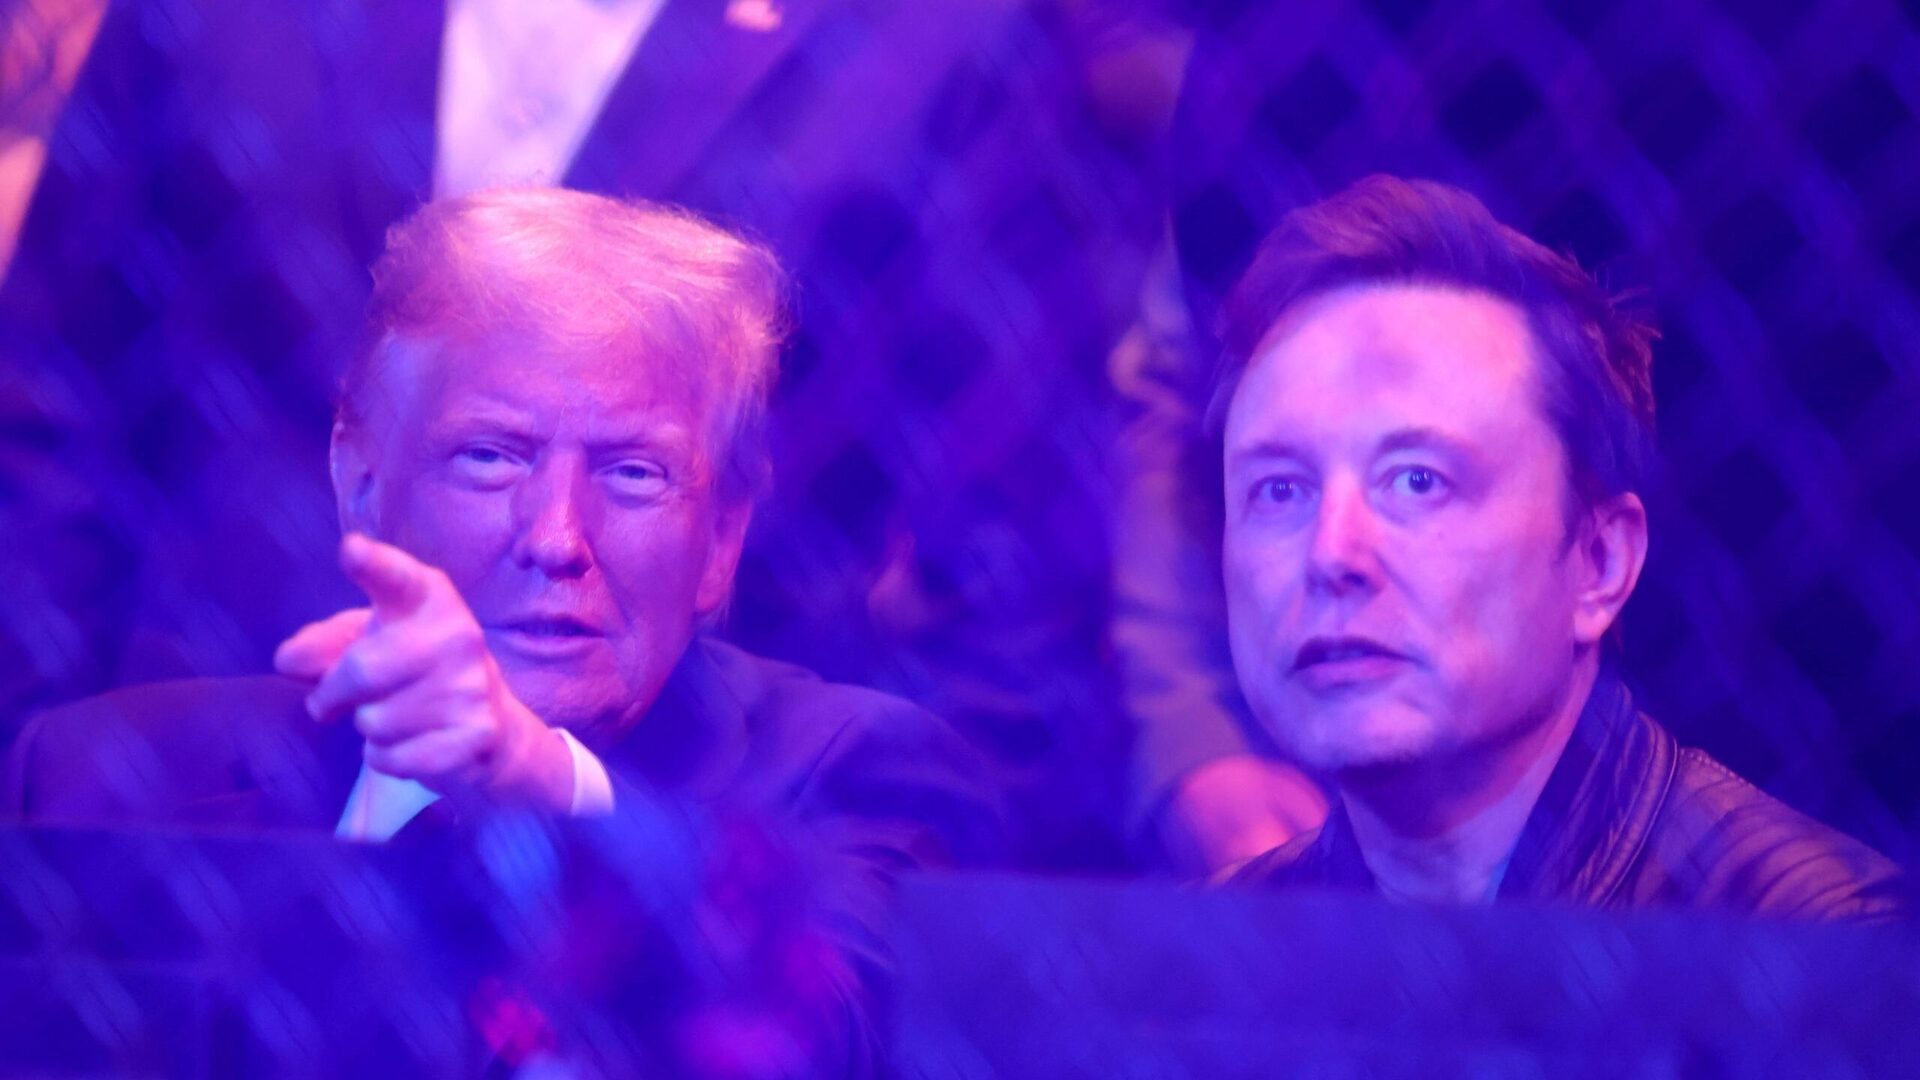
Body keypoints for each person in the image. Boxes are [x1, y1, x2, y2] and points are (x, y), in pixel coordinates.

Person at [8, 188, 1001, 1069]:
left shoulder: (856, 774)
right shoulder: (100, 775)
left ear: (722, 537)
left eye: (634, 471)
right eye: (490, 455)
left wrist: (544, 787)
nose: (557, 537)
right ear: (361, 479)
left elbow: (843, 1036)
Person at [1213, 174, 1906, 920]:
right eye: (1279, 490)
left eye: (1418, 481)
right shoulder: (1202, 946)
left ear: (1600, 563)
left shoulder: (1825, 937)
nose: (1331, 554)